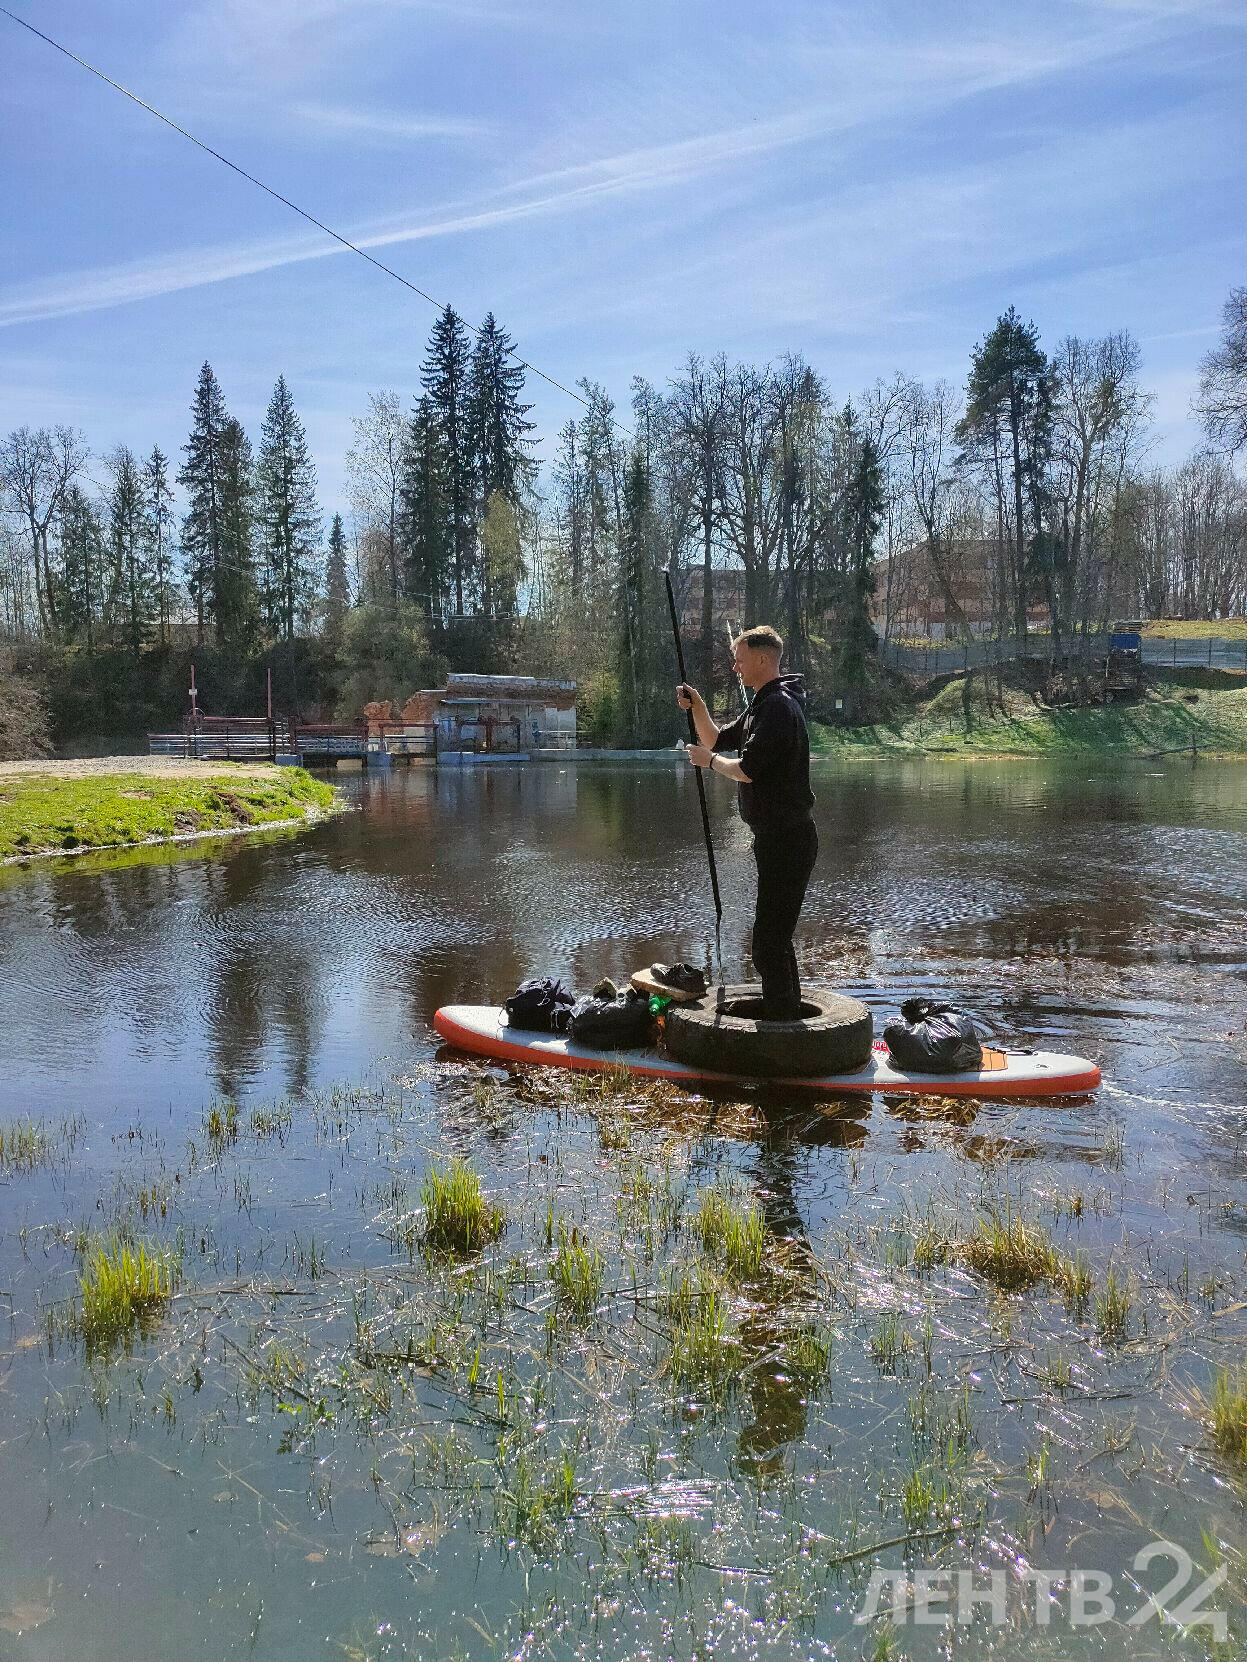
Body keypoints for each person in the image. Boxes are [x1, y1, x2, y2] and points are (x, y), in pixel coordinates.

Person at [677, 625, 817, 1022]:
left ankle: (781, 1027)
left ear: (761, 659)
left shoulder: (777, 707)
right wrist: (697, 706)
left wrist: (709, 764)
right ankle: (788, 1016)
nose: (735, 667)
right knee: (776, 938)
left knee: (767, 944)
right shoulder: (763, 704)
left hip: (788, 840)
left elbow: (748, 769)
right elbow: (716, 739)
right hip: (777, 840)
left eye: (739, 659)